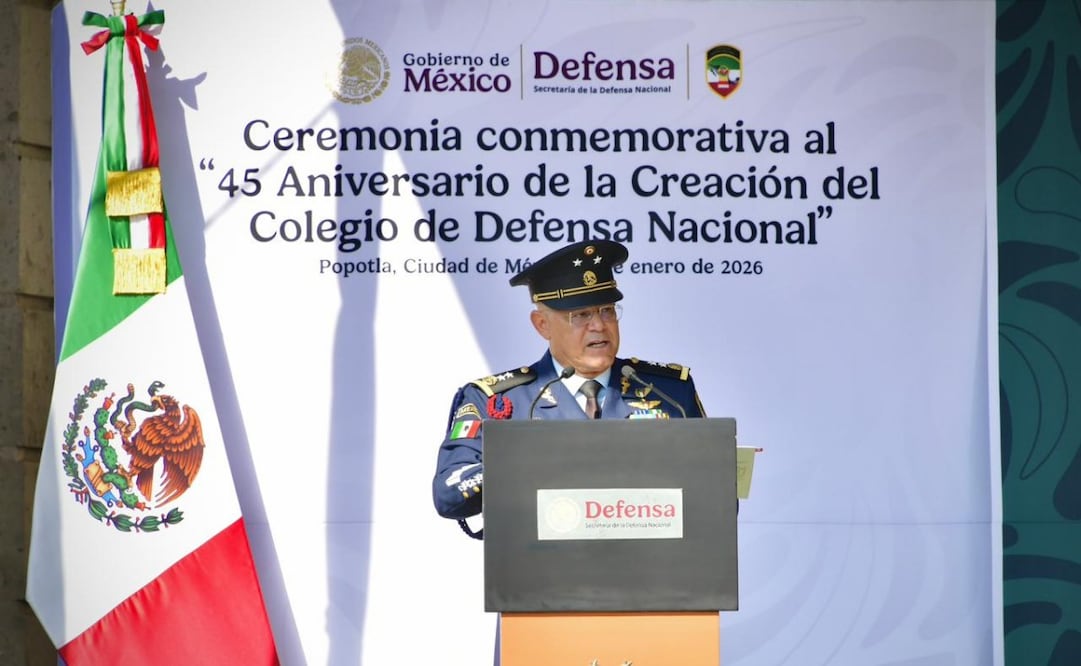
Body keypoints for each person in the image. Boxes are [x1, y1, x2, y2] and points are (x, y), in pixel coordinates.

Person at [431, 239, 707, 535]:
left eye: (607, 311)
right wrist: (525, 462)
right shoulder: (496, 400)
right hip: (542, 574)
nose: (599, 326)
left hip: (655, 573)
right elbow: (449, 494)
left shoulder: (669, 393)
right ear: (542, 325)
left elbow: (716, 492)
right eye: (581, 315)